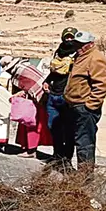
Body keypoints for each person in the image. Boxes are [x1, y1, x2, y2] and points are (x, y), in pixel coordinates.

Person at [60, 31, 106, 171]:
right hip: (72, 105)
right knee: (70, 139)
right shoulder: (79, 56)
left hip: (84, 108)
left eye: (81, 44)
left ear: (90, 44)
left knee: (84, 142)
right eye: (76, 44)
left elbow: (102, 85)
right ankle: (68, 169)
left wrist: (90, 106)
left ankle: (84, 176)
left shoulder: (95, 58)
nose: (78, 47)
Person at [1, 56, 52, 157]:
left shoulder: (20, 72)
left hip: (36, 102)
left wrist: (20, 94)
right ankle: (27, 147)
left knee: (31, 125)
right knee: (28, 124)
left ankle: (31, 150)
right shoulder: (27, 67)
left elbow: (30, 88)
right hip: (36, 101)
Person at [44, 27, 78, 159]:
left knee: (68, 129)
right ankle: (57, 156)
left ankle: (66, 159)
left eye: (71, 37)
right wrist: (47, 81)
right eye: (66, 37)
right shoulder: (58, 52)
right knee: (53, 127)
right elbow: (54, 72)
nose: (69, 39)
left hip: (67, 96)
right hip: (53, 95)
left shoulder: (78, 54)